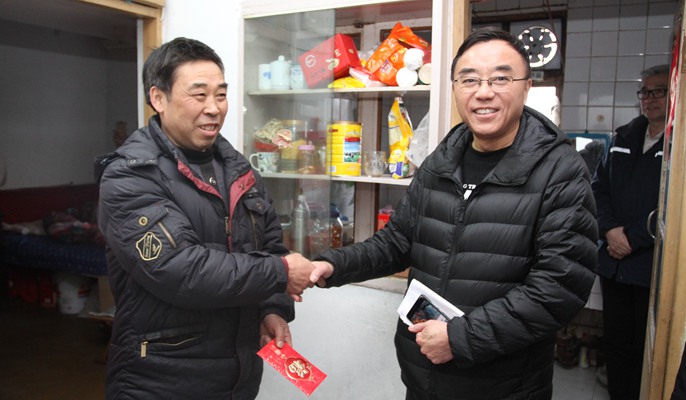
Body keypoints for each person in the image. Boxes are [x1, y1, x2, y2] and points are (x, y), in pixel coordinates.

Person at [310, 27, 598, 400]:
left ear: (526, 87)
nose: (483, 92)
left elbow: (560, 287)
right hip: (424, 376)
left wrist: (461, 339)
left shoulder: (560, 170)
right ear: (455, 88)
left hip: (504, 387)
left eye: (500, 79)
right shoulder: (442, 161)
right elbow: (397, 242)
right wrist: (333, 265)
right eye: (469, 79)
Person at [94, 37, 315, 400]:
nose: (214, 108)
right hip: (160, 380)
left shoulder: (240, 170)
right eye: (199, 95)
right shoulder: (130, 176)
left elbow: (270, 246)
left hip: (238, 377)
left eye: (221, 95)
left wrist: (271, 308)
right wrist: (281, 273)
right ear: (158, 98)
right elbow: (181, 270)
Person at [592, 64, 669, 400]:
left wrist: (632, 238)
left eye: (659, 91)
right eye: (645, 92)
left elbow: (672, 206)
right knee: (616, 341)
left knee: (644, 347)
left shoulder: (678, 143)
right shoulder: (622, 138)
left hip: (649, 265)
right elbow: (598, 189)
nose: (650, 99)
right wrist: (610, 230)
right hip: (613, 263)